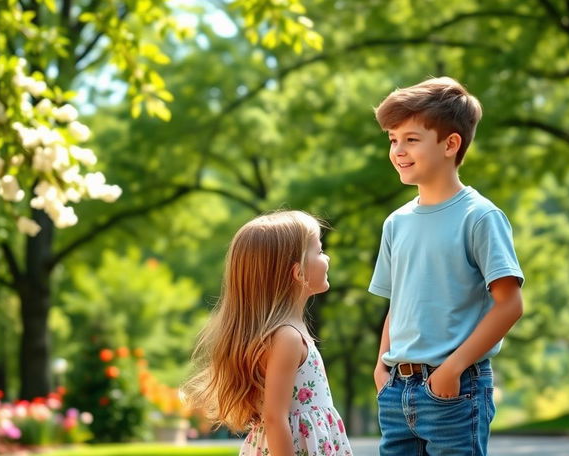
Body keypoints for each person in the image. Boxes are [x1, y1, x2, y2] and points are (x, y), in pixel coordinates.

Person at [369, 77, 524, 456]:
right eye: (393, 139)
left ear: (450, 144)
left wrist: (453, 368)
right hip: (396, 392)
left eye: (411, 139)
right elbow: (397, 304)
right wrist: (381, 368)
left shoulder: (480, 217)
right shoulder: (396, 223)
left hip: (455, 390)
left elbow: (510, 304)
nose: (398, 151)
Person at [182, 210, 353, 456]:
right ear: (298, 273)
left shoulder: (290, 332)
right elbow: (275, 418)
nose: (327, 258)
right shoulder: (287, 338)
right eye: (319, 250)